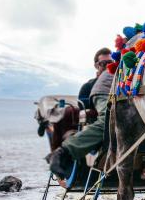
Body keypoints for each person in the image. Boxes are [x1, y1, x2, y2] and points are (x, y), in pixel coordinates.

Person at [47, 48, 115, 179]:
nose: (107, 66)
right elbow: (81, 103)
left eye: (110, 62)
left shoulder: (116, 79)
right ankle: (64, 153)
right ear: (96, 65)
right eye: (103, 63)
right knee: (107, 120)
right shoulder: (89, 85)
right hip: (96, 116)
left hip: (109, 109)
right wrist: (94, 104)